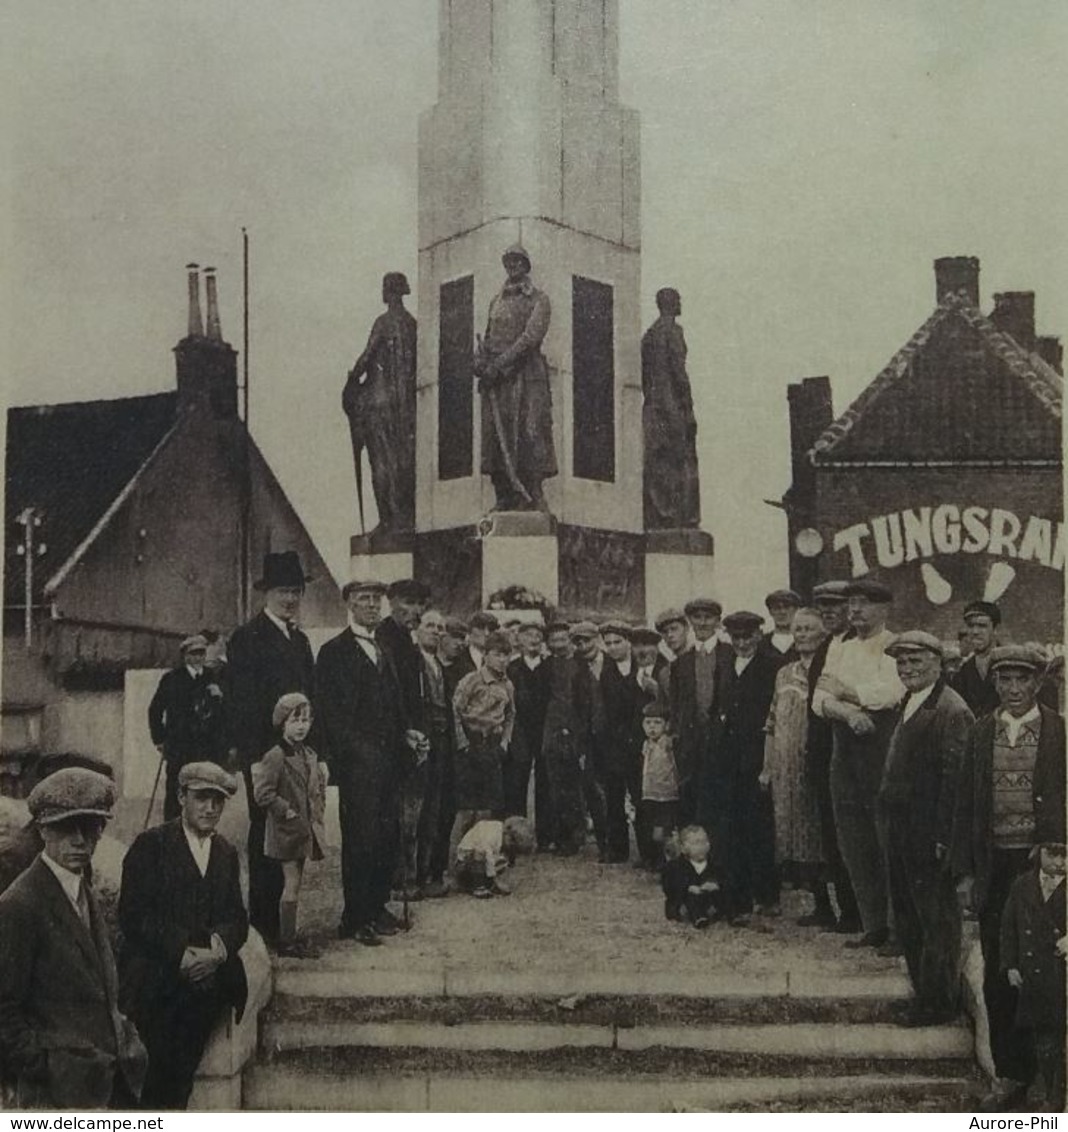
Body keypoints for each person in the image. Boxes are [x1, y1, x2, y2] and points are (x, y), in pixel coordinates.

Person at [951, 645, 1066, 1110]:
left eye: (1023, 680)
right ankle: (1011, 1075)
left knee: (1051, 968)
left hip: (1046, 868)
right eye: (1005, 680)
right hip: (994, 866)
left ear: (1038, 684)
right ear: (995, 684)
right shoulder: (981, 733)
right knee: (1003, 968)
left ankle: (1052, 1076)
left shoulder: (1058, 732)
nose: (1014, 689)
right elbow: (964, 805)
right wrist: (964, 871)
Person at [0, 768, 147, 1109]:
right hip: (55, 1095)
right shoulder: (19, 905)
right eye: (67, 828)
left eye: (92, 827)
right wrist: (48, 1067)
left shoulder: (81, 889)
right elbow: (4, 1010)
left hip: (104, 1080)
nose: (81, 840)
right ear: (43, 829)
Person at [119, 763, 247, 1110]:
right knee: (156, 1066)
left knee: (182, 1066)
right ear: (180, 798)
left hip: (210, 977)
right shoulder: (151, 846)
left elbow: (237, 918)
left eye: (218, 801)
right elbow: (133, 916)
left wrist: (217, 952)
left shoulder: (225, 853)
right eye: (201, 798)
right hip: (160, 973)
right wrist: (183, 954)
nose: (210, 808)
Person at [877, 632, 973, 1026]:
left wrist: (944, 839)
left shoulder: (952, 710)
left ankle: (938, 1003)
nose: (908, 669)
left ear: (939, 663)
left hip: (927, 835)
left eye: (917, 661)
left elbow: (956, 782)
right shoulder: (910, 701)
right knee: (910, 919)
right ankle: (924, 996)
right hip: (902, 830)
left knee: (937, 922)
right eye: (902, 662)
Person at [227, 551, 316, 945]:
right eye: (283, 590)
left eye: (295, 591)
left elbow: (311, 699)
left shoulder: (300, 639)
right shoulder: (247, 638)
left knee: (293, 831)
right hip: (265, 752)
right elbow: (241, 703)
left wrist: (311, 750)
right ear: (267, 593)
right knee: (267, 832)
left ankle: (284, 927)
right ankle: (262, 927)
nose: (290, 598)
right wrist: (263, 751)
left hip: (297, 753)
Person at [315, 579, 409, 946]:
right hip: (358, 765)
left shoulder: (383, 647)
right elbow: (331, 714)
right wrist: (357, 752)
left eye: (376, 600)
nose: (372, 605)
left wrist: (406, 735)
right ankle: (355, 916)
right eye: (363, 599)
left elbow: (395, 703)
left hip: (389, 762)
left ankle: (377, 905)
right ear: (349, 605)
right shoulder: (333, 652)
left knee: (387, 835)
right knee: (361, 838)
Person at [813, 579, 904, 949]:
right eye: (851, 603)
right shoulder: (841, 647)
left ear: (884, 608)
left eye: (864, 604)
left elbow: (890, 695)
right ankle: (873, 924)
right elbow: (819, 699)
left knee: (885, 837)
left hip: (881, 747)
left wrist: (846, 693)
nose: (855, 611)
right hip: (844, 746)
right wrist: (850, 713)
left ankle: (899, 928)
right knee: (853, 838)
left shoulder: (894, 646)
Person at [703, 611, 782, 923]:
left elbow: (773, 718)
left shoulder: (771, 666)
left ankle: (767, 894)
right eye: (735, 638)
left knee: (759, 829)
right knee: (731, 828)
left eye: (747, 637)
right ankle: (739, 896)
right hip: (726, 760)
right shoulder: (725, 667)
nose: (741, 643)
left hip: (756, 760)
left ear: (758, 636)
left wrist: (768, 763)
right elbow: (716, 708)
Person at [475, 245, 557, 511]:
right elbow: (487, 339)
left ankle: (534, 496)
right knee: (497, 440)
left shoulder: (539, 300)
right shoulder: (495, 301)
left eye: (517, 261)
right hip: (497, 383)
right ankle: (504, 497)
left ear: (526, 265)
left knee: (530, 433)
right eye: (508, 261)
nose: (512, 265)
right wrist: (481, 363)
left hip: (527, 375)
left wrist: (499, 364)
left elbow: (530, 338)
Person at [759, 607, 827, 920]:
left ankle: (825, 903)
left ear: (822, 633)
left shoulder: (829, 669)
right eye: (797, 629)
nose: (801, 635)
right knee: (788, 825)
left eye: (808, 629)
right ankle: (801, 891)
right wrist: (767, 765)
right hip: (784, 765)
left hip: (813, 762)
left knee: (816, 829)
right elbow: (771, 723)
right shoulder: (783, 673)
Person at [251, 694, 327, 958]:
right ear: (282, 723)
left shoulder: (308, 754)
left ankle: (290, 933)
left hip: (303, 830)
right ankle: (286, 941)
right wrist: (287, 811)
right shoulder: (276, 755)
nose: (301, 726)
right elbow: (262, 793)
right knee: (291, 883)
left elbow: (314, 789)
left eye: (306, 720)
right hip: (285, 830)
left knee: (296, 882)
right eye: (295, 720)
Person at [806, 580, 861, 932]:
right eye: (823, 606)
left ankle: (858, 913)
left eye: (835, 605)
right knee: (831, 834)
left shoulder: (858, 646)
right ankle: (844, 909)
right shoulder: (826, 646)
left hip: (852, 752)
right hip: (824, 753)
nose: (828, 612)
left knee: (852, 835)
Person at [343, 271, 417, 533]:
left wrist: (352, 379)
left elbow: (366, 357)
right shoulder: (413, 325)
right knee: (402, 462)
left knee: (381, 462)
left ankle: (388, 519)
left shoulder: (383, 323)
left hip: (378, 404)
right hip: (405, 408)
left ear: (389, 292)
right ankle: (403, 515)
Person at [999, 832, 1066, 1112]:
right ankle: (1052, 1097)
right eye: (1052, 853)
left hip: (1062, 973)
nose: (1060, 861)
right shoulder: (1022, 885)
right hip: (1035, 975)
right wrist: (1011, 965)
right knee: (1044, 1038)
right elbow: (1008, 928)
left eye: (1065, 855)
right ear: (1038, 852)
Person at [376, 579, 432, 903]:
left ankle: (406, 877)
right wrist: (404, 733)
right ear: (392, 601)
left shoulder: (409, 641)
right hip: (395, 739)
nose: (416, 611)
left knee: (410, 814)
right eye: (409, 602)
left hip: (414, 737)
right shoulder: (383, 638)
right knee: (394, 815)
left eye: (421, 604)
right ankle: (395, 882)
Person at [450, 630, 516, 867]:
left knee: (488, 809)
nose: (503, 660)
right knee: (466, 810)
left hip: (492, 747)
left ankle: (481, 862)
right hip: (470, 746)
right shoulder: (471, 680)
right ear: (486, 655)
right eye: (498, 655)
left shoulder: (507, 685)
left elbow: (510, 715)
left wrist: (504, 742)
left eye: (507, 655)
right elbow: (455, 711)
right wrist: (462, 743)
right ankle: (455, 864)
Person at [147, 634, 228, 821]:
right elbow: (155, 710)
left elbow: (222, 715)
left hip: (205, 749)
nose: (199, 657)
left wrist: (220, 697)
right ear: (185, 656)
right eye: (194, 653)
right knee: (177, 794)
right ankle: (171, 836)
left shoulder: (211, 677)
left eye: (202, 653)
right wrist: (159, 739)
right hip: (179, 747)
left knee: (204, 793)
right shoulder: (172, 679)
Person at [641, 287, 700, 529]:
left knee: (657, 460)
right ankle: (681, 515)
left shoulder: (649, 335)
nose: (681, 303)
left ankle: (660, 513)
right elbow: (679, 372)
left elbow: (645, 377)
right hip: (672, 406)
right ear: (671, 303)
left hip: (653, 407)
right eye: (678, 299)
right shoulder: (673, 331)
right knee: (681, 460)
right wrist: (688, 406)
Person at [668, 598, 728, 826]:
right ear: (691, 621)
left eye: (708, 617)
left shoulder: (729, 655)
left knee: (719, 802)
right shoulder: (680, 663)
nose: (703, 623)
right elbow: (675, 707)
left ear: (717, 621)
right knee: (690, 801)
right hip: (691, 744)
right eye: (697, 618)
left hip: (721, 743)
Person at [541, 621, 595, 855]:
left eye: (563, 639)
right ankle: (559, 835)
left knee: (574, 785)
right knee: (556, 785)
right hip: (551, 730)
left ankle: (576, 835)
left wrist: (572, 729)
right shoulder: (547, 666)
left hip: (574, 730)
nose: (559, 644)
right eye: (554, 640)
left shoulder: (581, 665)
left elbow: (581, 702)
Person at [414, 609, 454, 898]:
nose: (437, 632)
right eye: (431, 626)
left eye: (441, 628)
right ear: (418, 629)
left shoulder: (440, 665)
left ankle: (429, 872)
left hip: (442, 747)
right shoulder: (412, 662)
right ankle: (411, 876)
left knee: (435, 811)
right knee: (416, 812)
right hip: (421, 743)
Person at [504, 621, 552, 829]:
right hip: (520, 728)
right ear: (519, 640)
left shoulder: (549, 666)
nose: (533, 639)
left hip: (544, 728)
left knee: (546, 778)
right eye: (528, 635)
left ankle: (547, 834)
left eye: (537, 635)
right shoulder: (512, 668)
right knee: (517, 777)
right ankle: (516, 832)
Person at [569, 622, 610, 859]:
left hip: (614, 739)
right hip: (590, 740)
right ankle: (604, 843)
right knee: (593, 790)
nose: (583, 646)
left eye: (587, 640)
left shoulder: (614, 664)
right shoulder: (578, 673)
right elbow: (577, 711)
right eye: (578, 642)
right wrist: (581, 744)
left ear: (598, 639)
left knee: (617, 790)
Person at [453, 815, 536, 899]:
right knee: (480, 853)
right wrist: (495, 880)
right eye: (512, 844)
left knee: (501, 860)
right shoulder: (491, 836)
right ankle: (479, 886)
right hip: (465, 864)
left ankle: (487, 883)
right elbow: (489, 859)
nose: (511, 847)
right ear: (507, 833)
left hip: (482, 860)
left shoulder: (501, 832)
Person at [639, 702, 679, 869]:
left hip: (665, 795)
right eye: (648, 723)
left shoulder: (667, 743)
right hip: (650, 794)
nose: (652, 728)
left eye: (657, 723)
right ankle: (656, 860)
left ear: (666, 725)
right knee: (650, 828)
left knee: (661, 832)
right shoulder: (646, 744)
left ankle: (668, 862)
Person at [662, 825, 722, 928]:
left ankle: (728, 914)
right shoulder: (675, 866)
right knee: (691, 899)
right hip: (685, 899)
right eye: (696, 843)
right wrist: (687, 887)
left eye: (705, 842)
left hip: (708, 898)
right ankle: (698, 917)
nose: (702, 846)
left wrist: (716, 885)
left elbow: (724, 878)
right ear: (683, 848)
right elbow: (669, 886)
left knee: (722, 894)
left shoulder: (714, 865)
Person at [951, 601, 1002, 718]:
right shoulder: (962, 673)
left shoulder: (1011, 664)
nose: (975, 632)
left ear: (995, 629)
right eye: (970, 626)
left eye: (982, 626)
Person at [760, 589, 802, 661]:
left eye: (787, 607)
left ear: (797, 610)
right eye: (777, 608)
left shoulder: (804, 639)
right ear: (770, 612)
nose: (782, 612)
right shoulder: (761, 643)